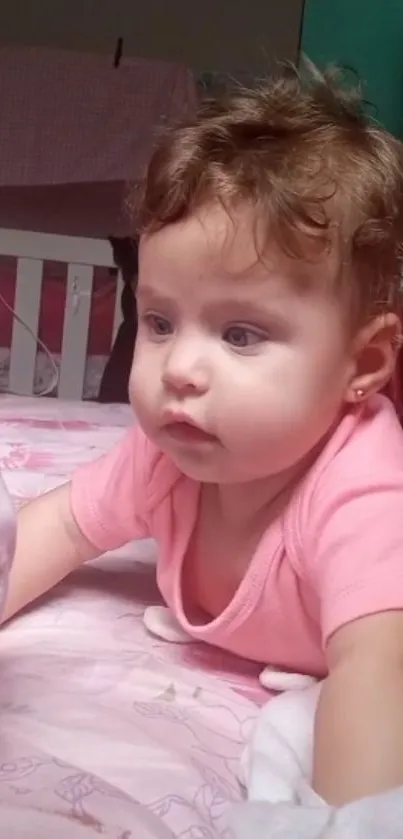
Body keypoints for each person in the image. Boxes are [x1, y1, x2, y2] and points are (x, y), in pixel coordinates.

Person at [4, 64, 403, 807]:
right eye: (158, 322)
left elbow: (379, 668)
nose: (179, 368)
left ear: (365, 361)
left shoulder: (363, 487)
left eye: (242, 334)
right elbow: (54, 526)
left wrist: (349, 821)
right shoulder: (168, 452)